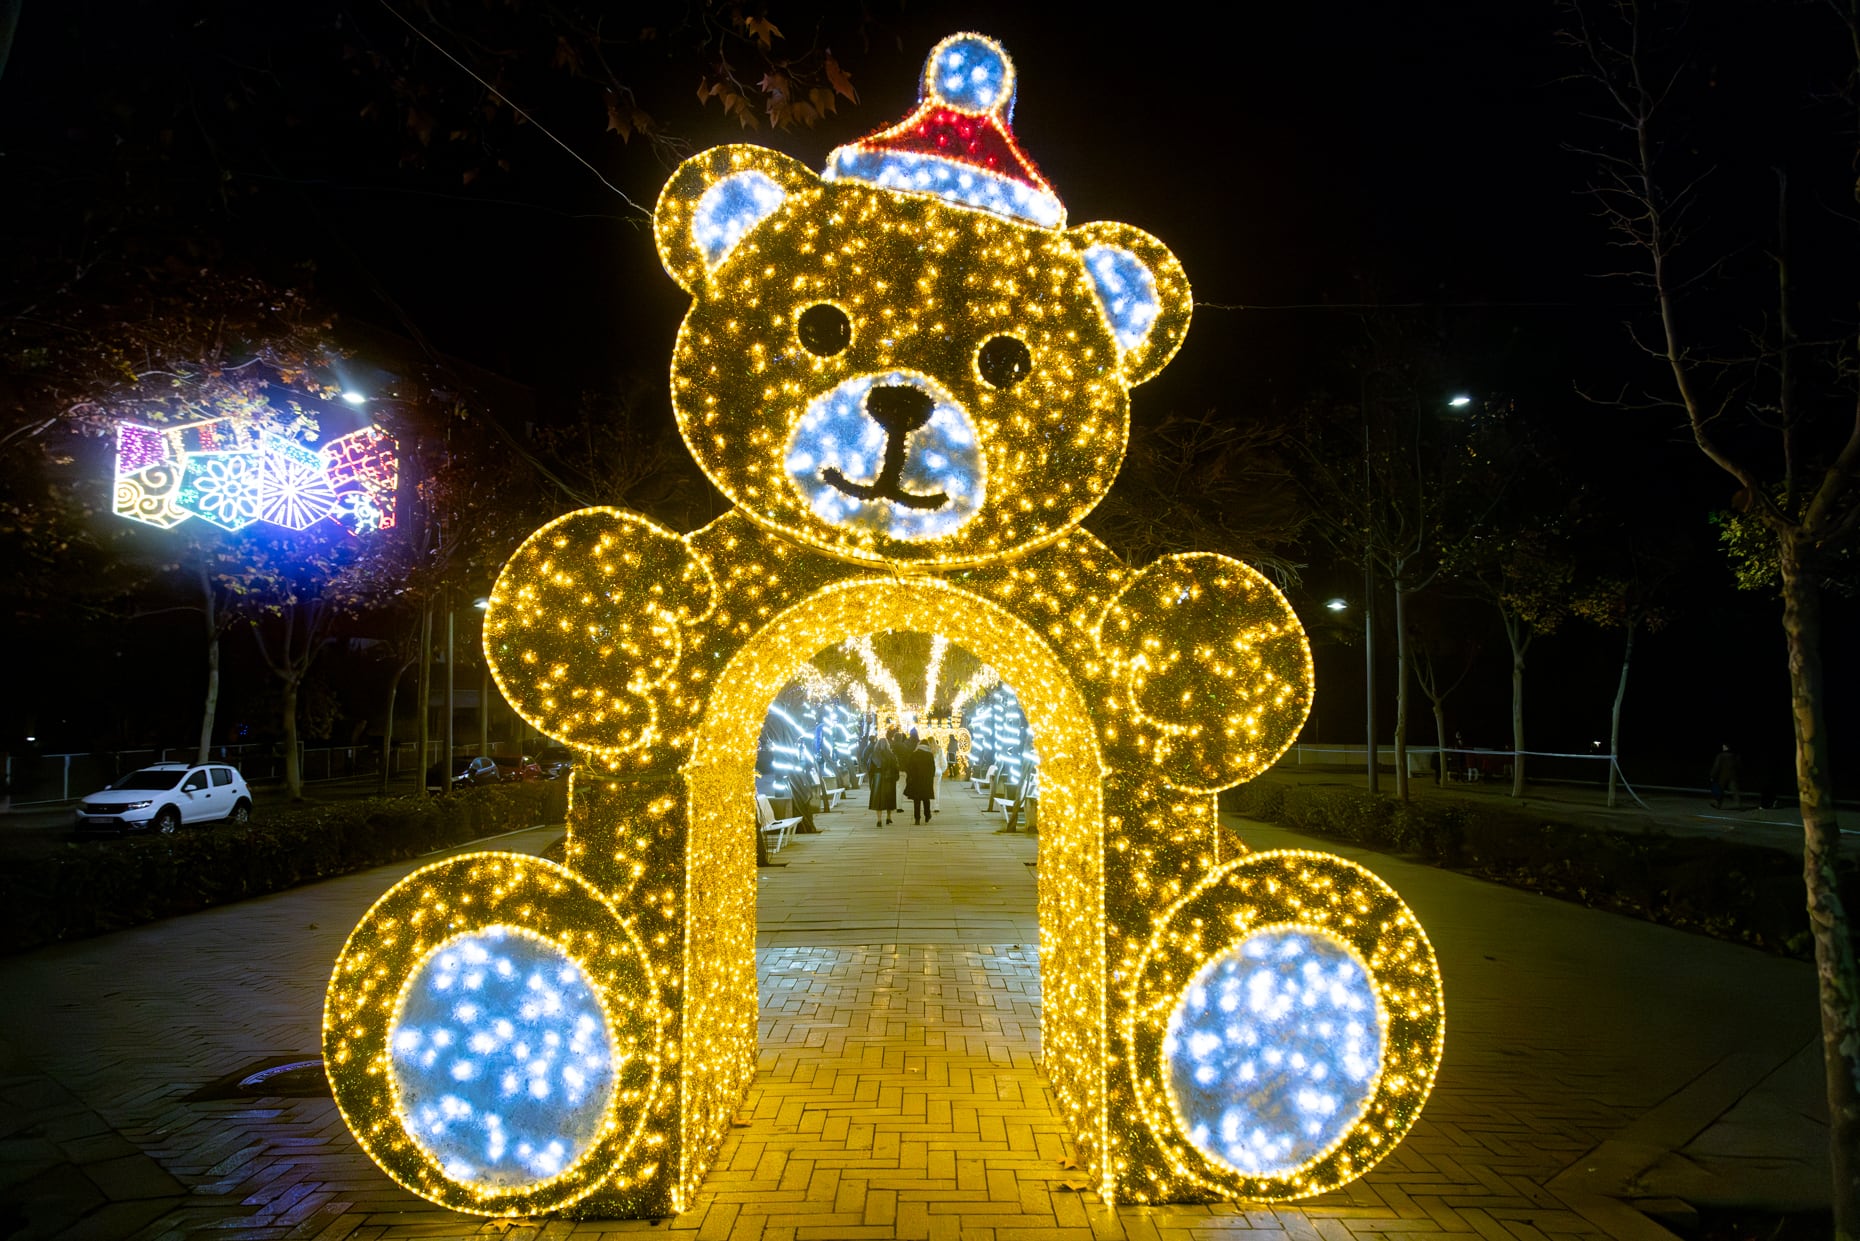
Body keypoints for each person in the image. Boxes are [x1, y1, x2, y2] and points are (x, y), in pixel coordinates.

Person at [904, 733, 938, 824]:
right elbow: (932, 769)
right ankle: (927, 815)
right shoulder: (929, 755)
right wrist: (930, 778)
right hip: (926, 781)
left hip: (916, 781)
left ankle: (917, 818)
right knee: (926, 799)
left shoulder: (914, 754)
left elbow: (909, 767)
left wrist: (910, 777)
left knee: (917, 800)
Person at [869, 728, 899, 826]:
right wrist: (896, 777)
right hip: (889, 778)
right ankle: (888, 817)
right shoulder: (891, 755)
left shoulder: (874, 755)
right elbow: (896, 767)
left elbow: (870, 769)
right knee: (889, 798)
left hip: (877, 778)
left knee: (878, 800)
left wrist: (871, 780)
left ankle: (879, 819)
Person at [1709, 743, 1744, 810]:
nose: (1723, 748)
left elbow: (1716, 766)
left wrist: (1712, 775)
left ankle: (1718, 804)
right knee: (1735, 790)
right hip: (1733, 775)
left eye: (1724, 747)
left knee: (1720, 790)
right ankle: (1739, 804)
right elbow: (1739, 766)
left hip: (1723, 775)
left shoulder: (1720, 756)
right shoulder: (1735, 755)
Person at [929, 732, 947, 814]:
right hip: (937, 771)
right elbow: (943, 762)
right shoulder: (939, 749)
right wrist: (941, 770)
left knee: (928, 789)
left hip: (929, 771)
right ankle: (936, 806)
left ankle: (928, 805)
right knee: (936, 788)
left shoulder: (927, 750)